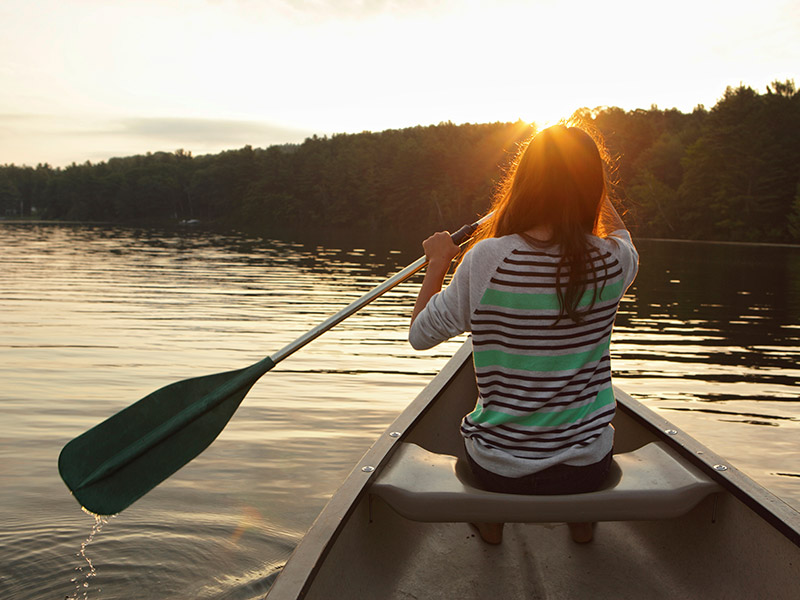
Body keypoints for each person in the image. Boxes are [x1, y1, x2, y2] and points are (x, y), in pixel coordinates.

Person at [408, 123, 638, 545]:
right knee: (590, 453)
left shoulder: (486, 259)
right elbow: (620, 232)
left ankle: (492, 523)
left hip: (499, 469)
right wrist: (589, 186)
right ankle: (583, 523)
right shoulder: (615, 262)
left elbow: (420, 335)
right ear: (593, 189)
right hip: (586, 468)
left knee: (482, 442)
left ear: (525, 182)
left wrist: (438, 262)